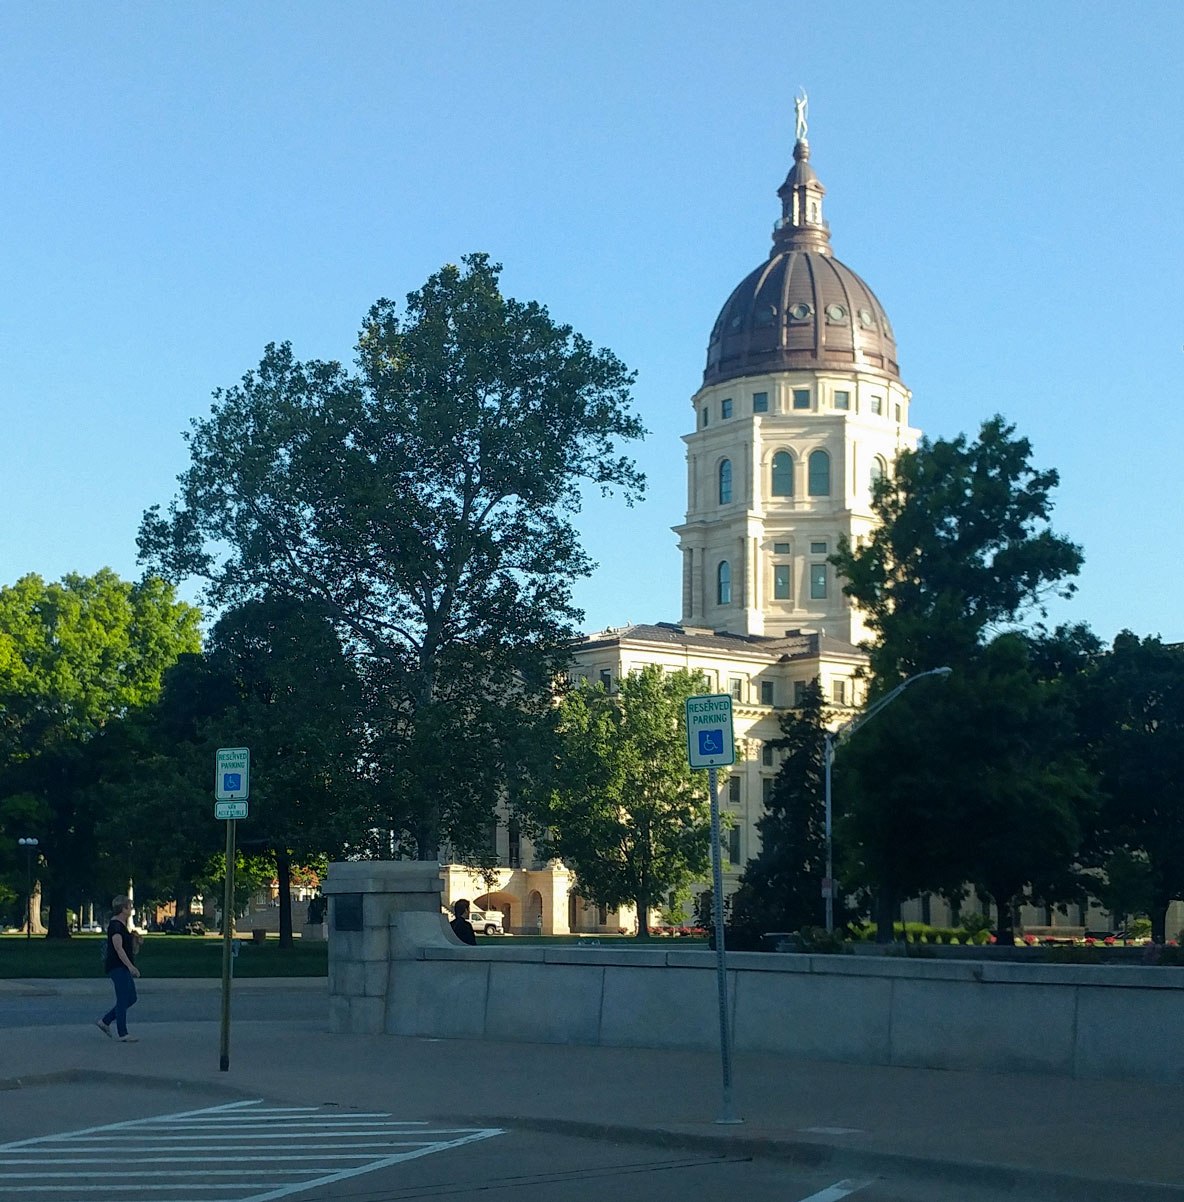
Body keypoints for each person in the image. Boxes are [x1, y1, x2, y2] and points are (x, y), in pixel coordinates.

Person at [96, 895, 141, 1042]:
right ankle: (123, 1033)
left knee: (131, 998)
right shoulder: (116, 926)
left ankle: (105, 1021)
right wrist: (131, 967)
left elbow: (129, 949)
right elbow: (118, 948)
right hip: (117, 966)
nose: (131, 909)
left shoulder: (122, 926)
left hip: (123, 967)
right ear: (123, 908)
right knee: (123, 999)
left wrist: (135, 941)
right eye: (130, 907)